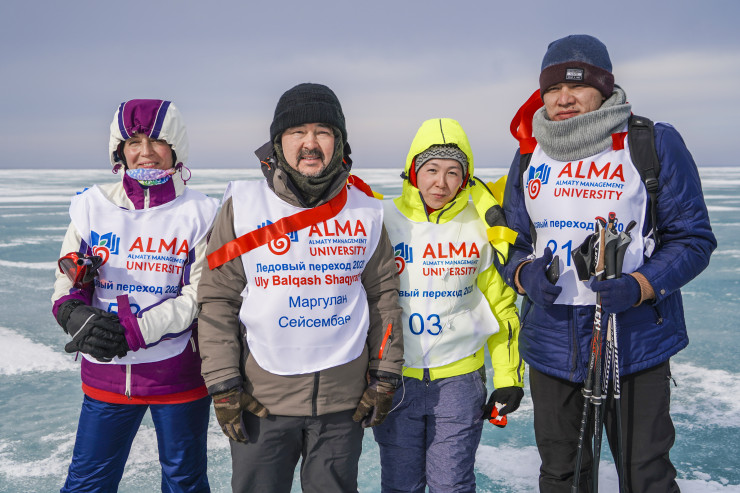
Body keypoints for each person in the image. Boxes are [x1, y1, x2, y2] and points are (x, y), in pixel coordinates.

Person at [499, 35, 716, 492]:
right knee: (562, 477)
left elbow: (693, 239)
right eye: (552, 88)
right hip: (553, 345)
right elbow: (512, 241)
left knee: (645, 477)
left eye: (576, 86)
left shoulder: (649, 143)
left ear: (603, 87)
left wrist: (640, 285)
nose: (563, 98)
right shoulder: (529, 153)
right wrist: (521, 274)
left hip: (633, 343)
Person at [196, 82, 404, 493]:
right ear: (279, 143)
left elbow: (383, 297)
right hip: (261, 402)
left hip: (343, 406)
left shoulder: (366, 211)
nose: (310, 143)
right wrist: (223, 384)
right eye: (297, 132)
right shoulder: (244, 207)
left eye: (323, 132)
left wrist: (384, 374)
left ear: (339, 142)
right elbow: (218, 299)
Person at [51, 99, 218, 493]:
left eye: (157, 141)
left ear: (175, 147)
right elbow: (68, 277)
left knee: (184, 482)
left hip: (177, 375)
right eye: (134, 142)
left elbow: (198, 294)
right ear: (119, 150)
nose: (146, 152)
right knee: (87, 483)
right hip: (106, 372)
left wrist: (133, 331)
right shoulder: (92, 207)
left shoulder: (202, 213)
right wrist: (73, 313)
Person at [372, 118, 525, 492]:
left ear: (465, 178)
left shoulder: (482, 227)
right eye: (432, 169)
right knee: (400, 485)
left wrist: (508, 378)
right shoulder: (382, 219)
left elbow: (502, 308)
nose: (440, 183)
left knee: (452, 484)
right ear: (414, 171)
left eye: (453, 172)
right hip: (395, 379)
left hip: (459, 381)